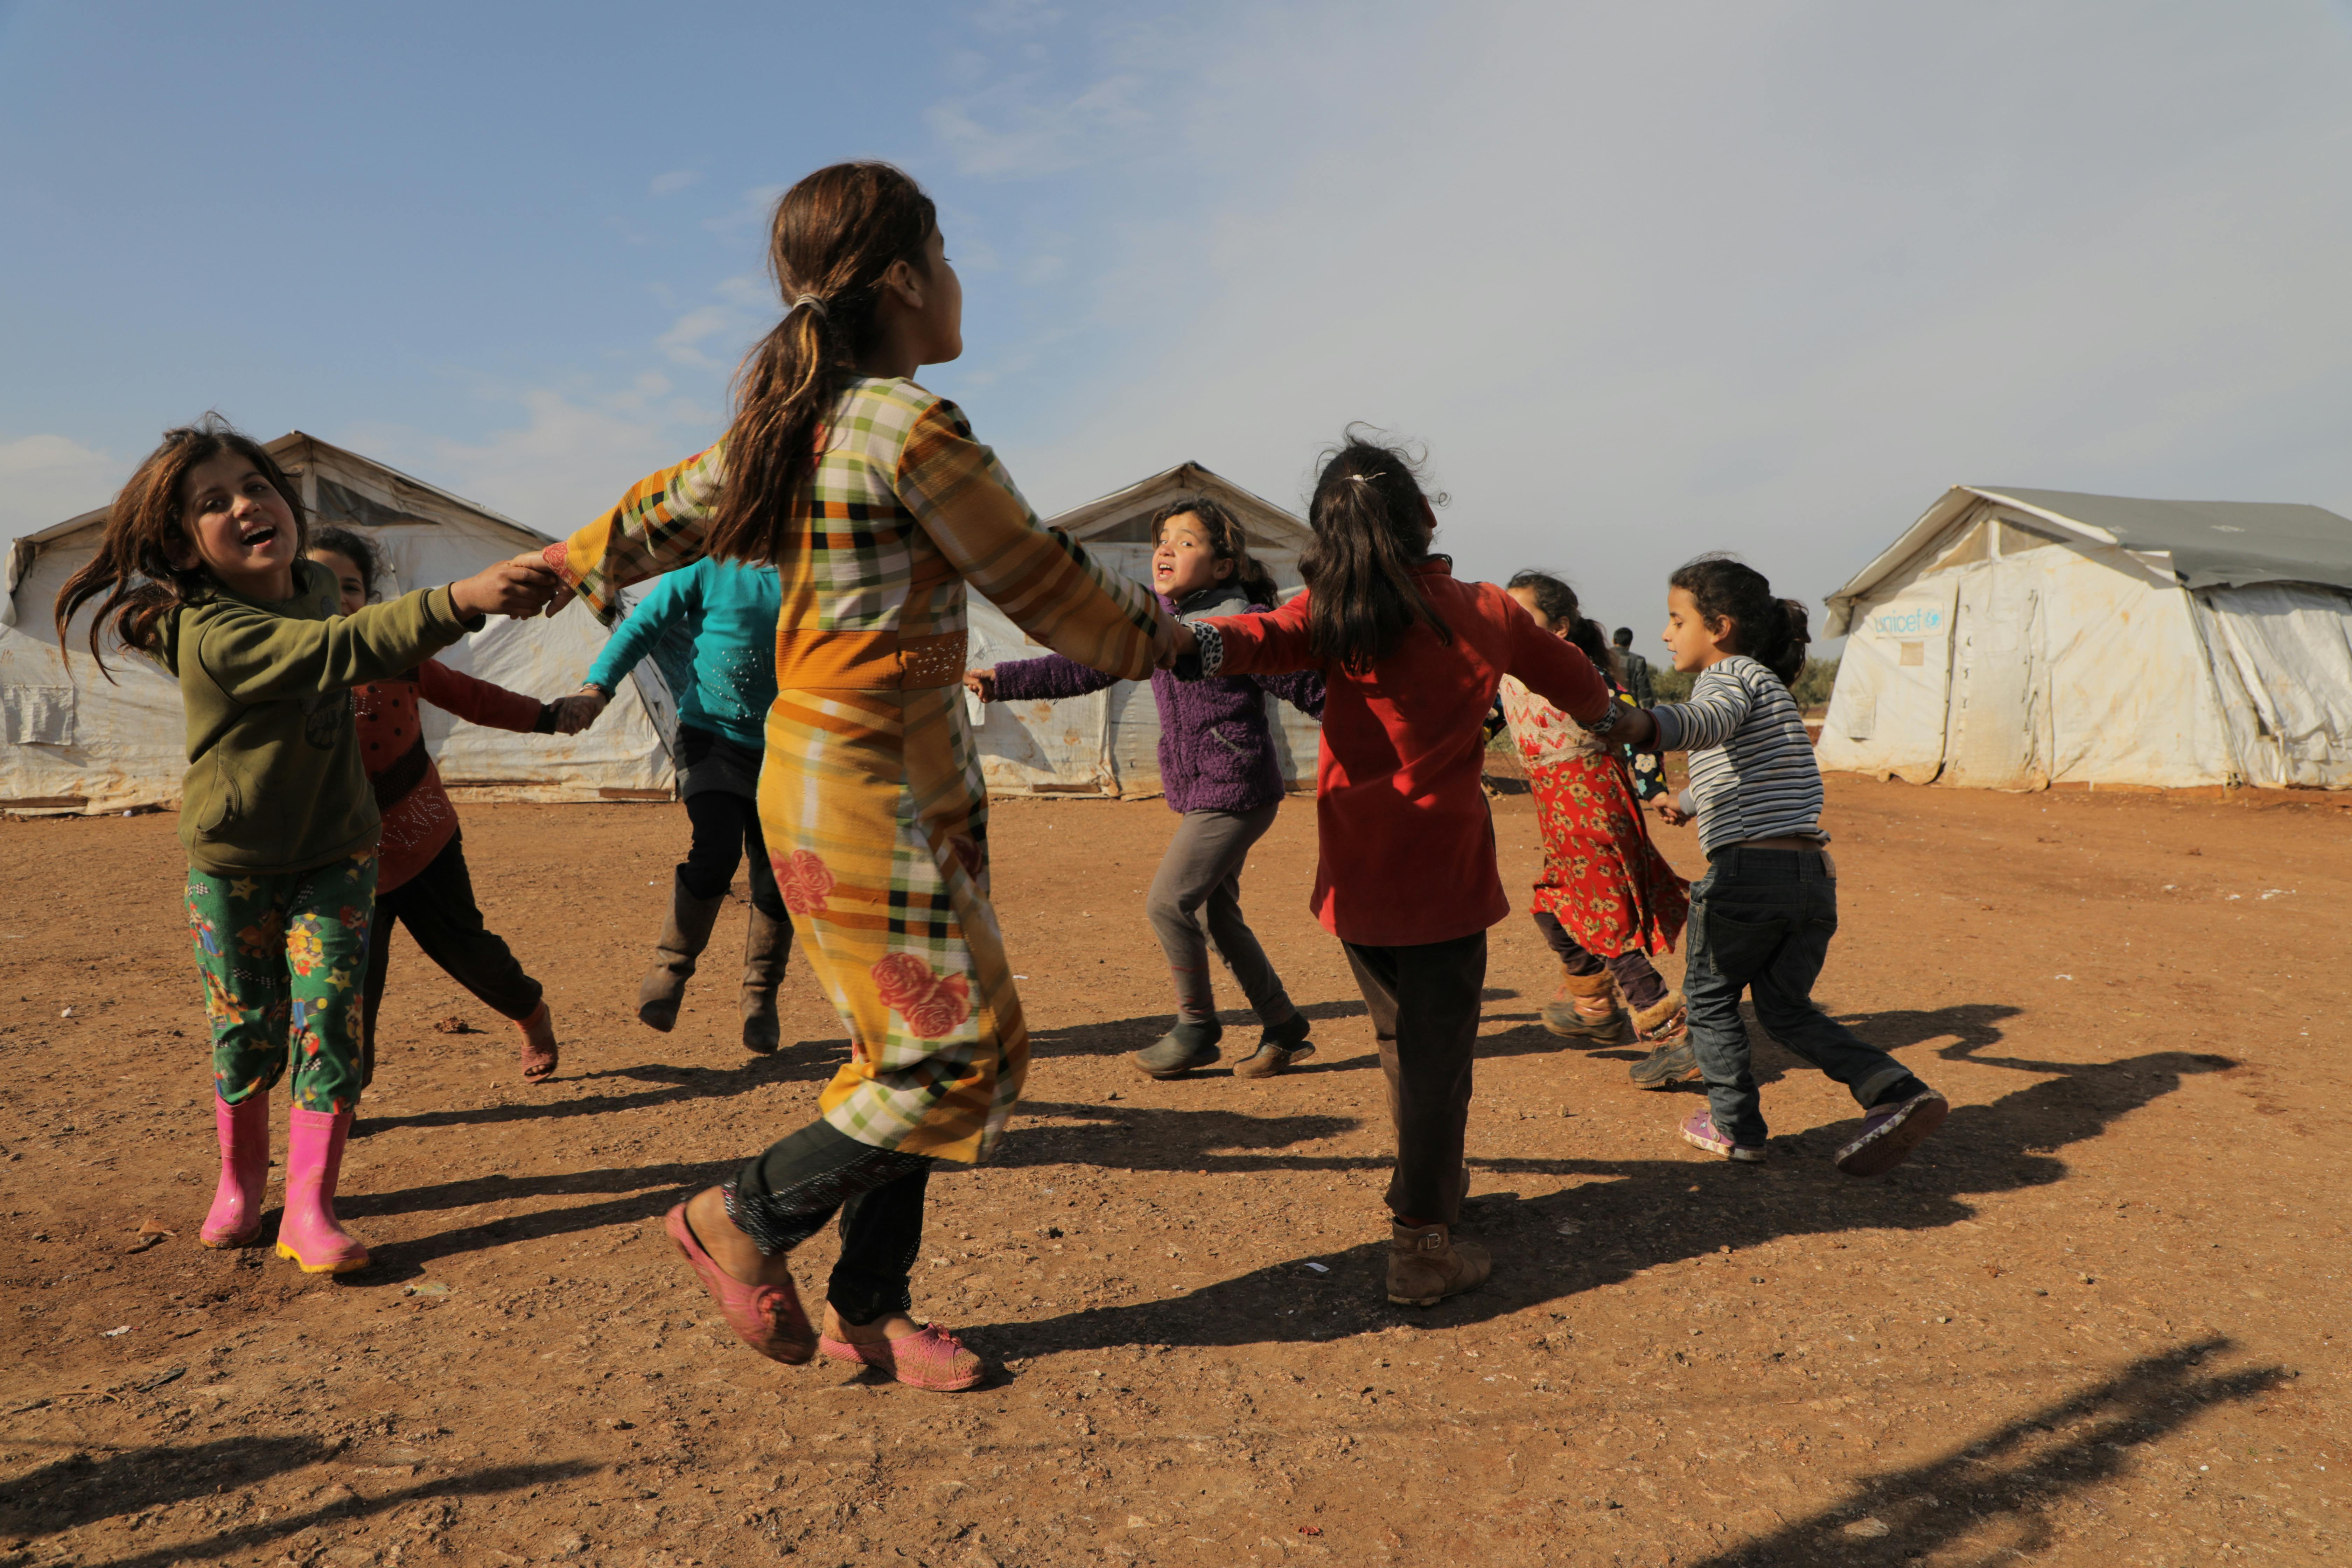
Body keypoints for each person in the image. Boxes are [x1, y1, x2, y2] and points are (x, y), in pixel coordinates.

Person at [530, 163, 1172, 1390]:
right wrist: (1181, 639)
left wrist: (557, 560)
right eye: (949, 253)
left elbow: (651, 515)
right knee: (960, 1057)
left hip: (891, 767)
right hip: (866, 777)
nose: (962, 280)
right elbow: (1049, 585)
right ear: (904, 278)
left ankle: (872, 1308)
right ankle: (743, 1216)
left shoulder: (789, 428)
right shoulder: (903, 427)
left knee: (917, 1055)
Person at [54, 417, 556, 1273]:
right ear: (182, 546)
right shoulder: (215, 634)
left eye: (256, 487)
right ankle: (241, 1187)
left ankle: (311, 1212)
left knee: (332, 1021)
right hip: (236, 869)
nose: (249, 506)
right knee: (248, 1029)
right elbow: (336, 650)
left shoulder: (320, 584)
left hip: (338, 854)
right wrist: (461, 598)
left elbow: (362, 636)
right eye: (214, 503)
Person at [1167, 432, 1612, 1309]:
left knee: (1397, 1042)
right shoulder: (1486, 609)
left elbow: (1240, 642)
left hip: (1358, 878)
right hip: (1446, 876)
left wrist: (1173, 639)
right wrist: (1631, 725)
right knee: (1438, 1059)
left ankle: (1431, 1190)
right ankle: (1423, 1245)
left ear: (1330, 540)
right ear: (1428, 518)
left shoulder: (1329, 612)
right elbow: (1583, 688)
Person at [1605, 555, 1947, 1175]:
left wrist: (1643, 724)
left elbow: (1703, 722)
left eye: (1675, 619)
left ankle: (1735, 1127)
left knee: (1710, 1001)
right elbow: (1749, 772)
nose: (1664, 634)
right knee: (1786, 1009)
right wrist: (1681, 801)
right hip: (1810, 878)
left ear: (1721, 627)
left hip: (1747, 878)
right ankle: (1894, 1091)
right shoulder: (1773, 694)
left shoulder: (1727, 678)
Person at [966, 496, 1324, 1079]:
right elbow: (1084, 667)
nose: (1167, 548)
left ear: (1223, 565)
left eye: (1187, 542)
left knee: (1168, 903)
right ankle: (1284, 1026)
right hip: (1206, 789)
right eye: (1164, 539)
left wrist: (1376, 729)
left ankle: (1198, 1026)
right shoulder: (1154, 624)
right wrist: (1003, 681)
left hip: (1235, 787)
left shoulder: (1238, 622)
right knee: (1212, 914)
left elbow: (1305, 685)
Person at [302, 527, 572, 1087]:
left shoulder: (395, 655)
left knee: (470, 953)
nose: (336, 598)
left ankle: (531, 1014)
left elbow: (472, 697)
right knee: (346, 987)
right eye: (315, 583)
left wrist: (548, 716)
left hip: (423, 840)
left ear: (369, 599)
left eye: (349, 586)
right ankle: (338, 1099)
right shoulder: (283, 672)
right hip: (340, 860)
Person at [561, 555, 794, 1054]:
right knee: (716, 849)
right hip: (711, 736)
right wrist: (598, 685)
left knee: (777, 871)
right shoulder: (707, 570)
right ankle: (670, 970)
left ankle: (760, 996)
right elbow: (641, 627)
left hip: (787, 745)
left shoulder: (812, 572)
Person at [1499, 572, 1689, 1051]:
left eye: (1523, 616)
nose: (1509, 625)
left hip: (1591, 798)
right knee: (1552, 906)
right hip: (1555, 806)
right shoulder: (1504, 672)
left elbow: (1633, 720)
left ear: (1559, 628)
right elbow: (1473, 727)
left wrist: (1653, 790)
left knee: (1603, 917)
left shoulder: (1574, 667)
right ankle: (1595, 1006)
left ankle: (1676, 1039)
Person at [1611, 624, 1656, 706]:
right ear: (1630, 643)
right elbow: (1644, 693)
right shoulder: (1638, 661)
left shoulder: (1600, 657)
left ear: (1614, 641)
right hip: (1629, 711)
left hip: (1604, 710)